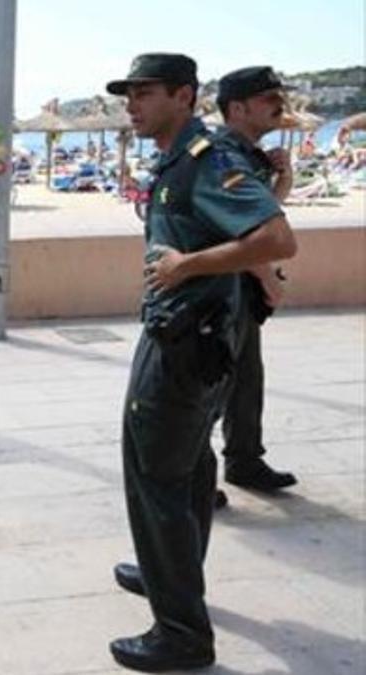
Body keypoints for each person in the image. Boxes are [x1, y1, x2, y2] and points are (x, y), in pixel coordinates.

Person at [105, 54, 297, 672]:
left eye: (145, 93)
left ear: (184, 96)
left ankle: (181, 631)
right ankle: (170, 574)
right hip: (195, 336)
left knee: (156, 471)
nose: (132, 104)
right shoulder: (180, 157)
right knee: (186, 468)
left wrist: (184, 267)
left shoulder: (204, 158)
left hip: (186, 341)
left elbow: (276, 238)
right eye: (128, 94)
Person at [212, 66, 299, 504]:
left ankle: (244, 459)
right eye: (268, 98)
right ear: (238, 108)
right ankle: (191, 475)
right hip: (218, 290)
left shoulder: (249, 153)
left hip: (238, 288)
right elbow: (236, 233)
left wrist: (282, 184)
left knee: (246, 379)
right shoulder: (223, 154)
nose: (277, 105)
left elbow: (255, 218)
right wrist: (269, 278)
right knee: (210, 384)